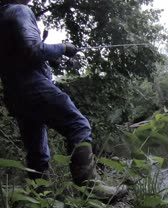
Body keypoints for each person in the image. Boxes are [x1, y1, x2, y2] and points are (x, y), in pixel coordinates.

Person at [0, 0, 99, 190]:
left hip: (14, 94)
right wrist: (64, 48)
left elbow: (18, 56)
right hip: (34, 86)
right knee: (78, 125)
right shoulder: (19, 10)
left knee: (37, 154)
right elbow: (32, 50)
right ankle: (90, 187)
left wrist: (53, 61)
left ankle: (39, 202)